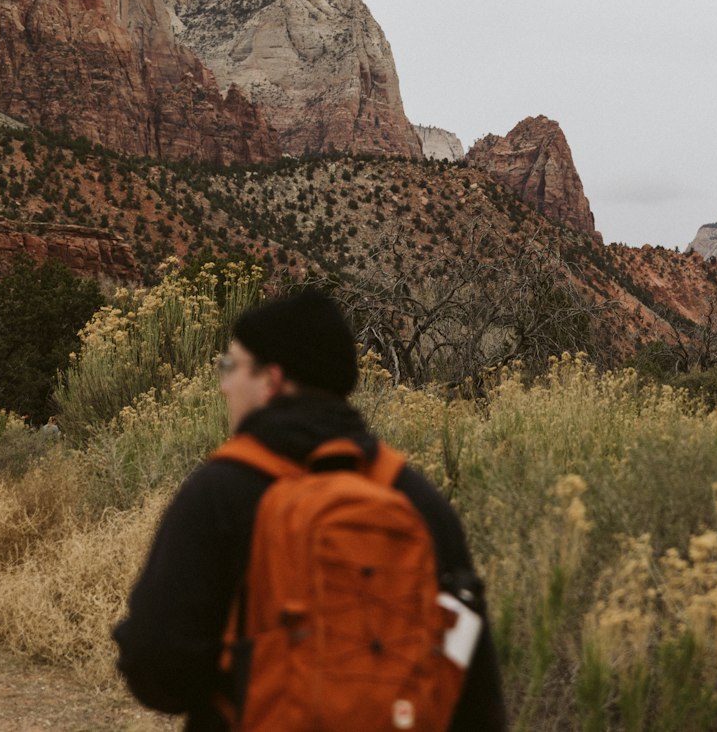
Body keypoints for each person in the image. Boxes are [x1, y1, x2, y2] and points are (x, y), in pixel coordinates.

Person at [114, 289, 506, 731]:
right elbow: (474, 684)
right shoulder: (415, 498)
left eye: (232, 367)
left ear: (272, 380)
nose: (224, 384)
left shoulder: (220, 491)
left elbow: (156, 666)